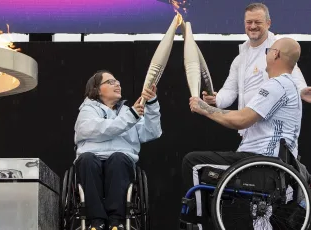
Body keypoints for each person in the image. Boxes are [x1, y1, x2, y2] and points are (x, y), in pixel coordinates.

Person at [183, 37, 303, 229]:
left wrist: (204, 109)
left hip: (262, 165)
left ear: (275, 54)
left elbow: (241, 120)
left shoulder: (277, 86)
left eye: (268, 51)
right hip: (272, 165)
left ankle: (198, 225)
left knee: (193, 163)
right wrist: (209, 106)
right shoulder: (287, 86)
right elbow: (241, 114)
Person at [203, 3, 311, 136]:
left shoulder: (277, 50)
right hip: (249, 132)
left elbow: (292, 72)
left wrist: (302, 90)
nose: (253, 26)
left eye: (258, 22)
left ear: (268, 23)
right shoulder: (240, 59)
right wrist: (217, 99)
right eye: (249, 22)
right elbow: (230, 90)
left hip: (273, 132)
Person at [74, 70, 162, 230]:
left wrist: (151, 103)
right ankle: (97, 222)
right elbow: (95, 130)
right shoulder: (88, 110)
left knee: (118, 159)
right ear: (97, 90)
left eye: (117, 81)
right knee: (88, 159)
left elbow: (152, 132)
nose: (117, 84)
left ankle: (116, 222)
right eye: (110, 82)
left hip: (121, 162)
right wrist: (131, 116)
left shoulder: (129, 112)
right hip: (91, 161)